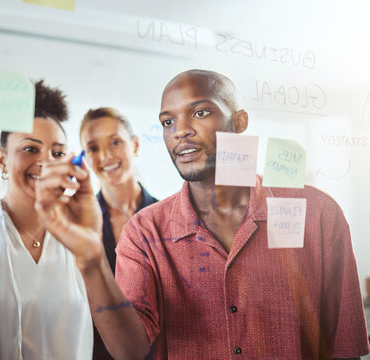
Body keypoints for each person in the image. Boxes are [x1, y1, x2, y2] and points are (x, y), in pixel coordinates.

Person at [34, 69, 370, 359]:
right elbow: (129, 350)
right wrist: (90, 258)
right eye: (168, 121)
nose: (180, 130)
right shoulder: (145, 233)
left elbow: (343, 346)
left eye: (199, 113)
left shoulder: (316, 214)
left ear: (239, 122)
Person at [0, 80, 93, 360]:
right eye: (30, 149)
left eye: (58, 152)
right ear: (2, 160)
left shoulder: (81, 235)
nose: (46, 162)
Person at [80, 107, 157, 359]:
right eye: (92, 148)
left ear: (134, 145)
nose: (105, 155)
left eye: (115, 142)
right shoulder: (79, 225)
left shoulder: (167, 217)